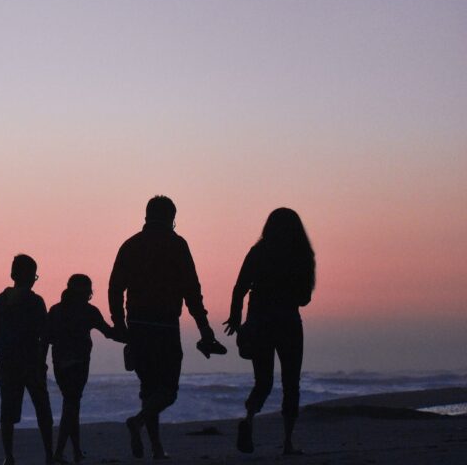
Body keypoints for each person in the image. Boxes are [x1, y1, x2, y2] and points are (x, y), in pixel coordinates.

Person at [108, 195, 220, 459]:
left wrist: (119, 323)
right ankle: (138, 422)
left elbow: (115, 288)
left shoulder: (131, 245)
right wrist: (204, 328)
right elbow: (192, 291)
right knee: (167, 392)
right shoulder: (177, 245)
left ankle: (156, 448)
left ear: (146, 216)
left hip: (137, 325)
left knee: (149, 389)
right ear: (172, 218)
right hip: (165, 325)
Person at [224, 208, 315, 455]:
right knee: (291, 383)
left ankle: (250, 418)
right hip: (288, 323)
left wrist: (235, 318)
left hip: (260, 323)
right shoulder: (302, 255)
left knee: (263, 381)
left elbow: (239, 288)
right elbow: (305, 298)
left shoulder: (258, 252)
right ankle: (287, 442)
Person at [0, 254, 56, 465]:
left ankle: (9, 456)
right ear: (31, 277)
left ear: (13, 275)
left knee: (8, 411)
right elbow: (45, 334)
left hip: (7, 363)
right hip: (31, 362)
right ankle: (49, 455)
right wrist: (42, 360)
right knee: (43, 409)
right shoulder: (35, 302)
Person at [44, 274, 122, 464]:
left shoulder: (55, 310)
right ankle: (59, 452)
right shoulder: (89, 311)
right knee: (71, 405)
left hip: (59, 364)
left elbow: (46, 338)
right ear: (87, 292)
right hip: (78, 364)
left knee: (71, 404)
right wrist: (129, 335)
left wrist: (41, 361)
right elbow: (109, 332)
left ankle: (76, 451)